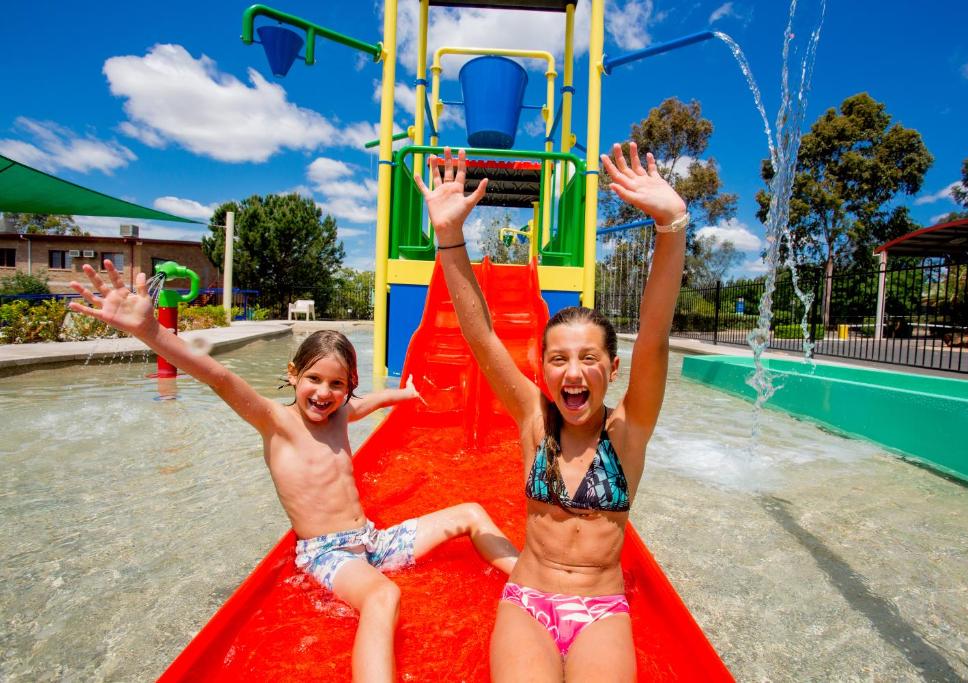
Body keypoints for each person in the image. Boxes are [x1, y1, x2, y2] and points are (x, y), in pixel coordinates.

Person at [68, 265, 519, 683]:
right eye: (315, 380)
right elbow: (219, 377)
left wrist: (406, 392)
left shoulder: (342, 415)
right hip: (328, 555)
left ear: (348, 388)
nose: (324, 393)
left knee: (472, 513)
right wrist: (152, 332)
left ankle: (534, 585)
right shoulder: (276, 423)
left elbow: (372, 402)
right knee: (383, 599)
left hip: (372, 540)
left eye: (337, 384)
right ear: (293, 374)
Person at [414, 142, 687, 681]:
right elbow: (481, 335)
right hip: (529, 600)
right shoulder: (534, 420)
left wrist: (673, 225)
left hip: (600, 609)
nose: (573, 372)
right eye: (558, 358)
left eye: (589, 358)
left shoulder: (628, 431)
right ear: (542, 368)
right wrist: (449, 236)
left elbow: (654, 336)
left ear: (612, 366)